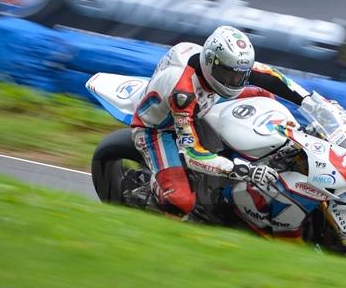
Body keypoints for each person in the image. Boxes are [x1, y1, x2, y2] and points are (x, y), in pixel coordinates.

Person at [130, 25, 313, 238]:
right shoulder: (183, 91)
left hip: (205, 101)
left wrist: (312, 102)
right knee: (181, 202)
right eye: (229, 75)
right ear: (210, 62)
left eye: (240, 76)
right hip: (159, 129)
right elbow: (193, 154)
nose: (235, 81)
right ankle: (155, 190)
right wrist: (245, 171)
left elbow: (274, 78)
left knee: (264, 94)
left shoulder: (229, 64)